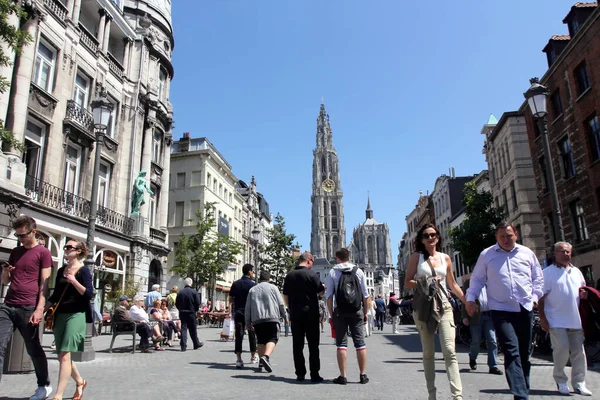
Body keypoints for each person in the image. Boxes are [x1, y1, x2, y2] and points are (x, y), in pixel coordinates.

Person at [466, 222, 543, 400]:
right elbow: (477, 279)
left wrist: (534, 299)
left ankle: (523, 387)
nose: (506, 240)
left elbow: (537, 278)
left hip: (524, 308)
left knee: (524, 353)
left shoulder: (527, 253)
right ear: (496, 237)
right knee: (511, 350)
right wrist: (471, 299)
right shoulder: (487, 255)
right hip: (500, 310)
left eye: (509, 235)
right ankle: (520, 395)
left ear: (516, 234)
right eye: (502, 236)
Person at [405, 223, 466, 400]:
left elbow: (453, 283)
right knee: (428, 353)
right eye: (426, 235)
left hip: (444, 305)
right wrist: (427, 281)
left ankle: (457, 395)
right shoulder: (417, 257)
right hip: (424, 306)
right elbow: (408, 282)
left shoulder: (445, 257)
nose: (430, 238)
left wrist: (467, 301)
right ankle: (432, 394)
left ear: (438, 237)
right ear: (421, 240)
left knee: (449, 350)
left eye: (433, 235)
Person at [0, 216, 52, 399]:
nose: (20, 239)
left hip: (28, 306)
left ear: (33, 232)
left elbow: (44, 284)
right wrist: (6, 272)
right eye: (18, 235)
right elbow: (6, 281)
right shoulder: (15, 251)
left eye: (23, 235)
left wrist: (39, 309)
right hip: (8, 305)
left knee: (33, 348)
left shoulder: (43, 252)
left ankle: (43, 385)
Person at [538, 242, 592, 396]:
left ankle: (579, 383)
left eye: (568, 251)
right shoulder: (547, 273)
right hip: (556, 319)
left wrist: (584, 295)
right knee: (561, 351)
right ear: (555, 253)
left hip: (575, 319)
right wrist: (543, 318)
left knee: (579, 353)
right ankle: (561, 380)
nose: (566, 254)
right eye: (563, 251)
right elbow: (541, 298)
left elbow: (582, 290)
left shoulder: (577, 272)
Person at [46, 240, 93, 400]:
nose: (65, 249)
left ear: (78, 251)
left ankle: (58, 396)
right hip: (60, 315)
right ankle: (80, 381)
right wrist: (41, 309)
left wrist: (74, 281)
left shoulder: (83, 270)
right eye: (65, 247)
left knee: (65, 354)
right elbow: (55, 295)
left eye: (69, 247)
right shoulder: (61, 271)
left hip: (76, 314)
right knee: (62, 355)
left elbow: (89, 294)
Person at [326, 248, 370, 385]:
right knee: (360, 343)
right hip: (356, 311)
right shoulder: (358, 271)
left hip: (340, 311)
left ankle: (343, 376)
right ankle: (362, 375)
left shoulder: (333, 272)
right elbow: (365, 296)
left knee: (341, 344)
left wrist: (332, 314)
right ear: (349, 257)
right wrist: (365, 313)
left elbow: (329, 297)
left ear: (337, 258)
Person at [283, 251, 325, 382]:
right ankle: (314, 374)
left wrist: (290, 307)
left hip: (296, 314)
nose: (312, 265)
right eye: (312, 262)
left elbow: (285, 295)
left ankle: (300, 373)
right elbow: (320, 291)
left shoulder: (289, 275)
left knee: (297, 345)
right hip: (311, 314)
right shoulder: (312, 274)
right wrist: (321, 291)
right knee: (313, 345)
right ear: (308, 260)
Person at [245, 271, 287, 373]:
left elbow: (248, 307)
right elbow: (281, 303)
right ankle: (266, 357)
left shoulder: (252, 290)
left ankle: (260, 361)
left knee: (261, 340)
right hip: (272, 317)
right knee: (273, 338)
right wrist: (285, 315)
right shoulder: (273, 288)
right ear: (268, 279)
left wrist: (248, 321)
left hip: (257, 319)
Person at [461, 279, 502, 375]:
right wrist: (464, 317)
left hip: (489, 315)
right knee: (476, 340)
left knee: (492, 340)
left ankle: (493, 366)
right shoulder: (469, 282)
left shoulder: (491, 280)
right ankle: (472, 357)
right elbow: (465, 300)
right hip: (475, 316)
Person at [229, 264, 258, 368]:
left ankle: (238, 359)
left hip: (238, 311)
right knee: (252, 334)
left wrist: (232, 310)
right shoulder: (253, 285)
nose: (253, 272)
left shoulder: (235, 284)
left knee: (239, 335)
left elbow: (231, 299)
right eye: (252, 271)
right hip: (249, 312)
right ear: (249, 272)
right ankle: (253, 356)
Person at [175, 278, 204, 352]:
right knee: (193, 329)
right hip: (191, 312)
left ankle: (183, 345)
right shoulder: (194, 292)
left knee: (183, 328)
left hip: (182, 312)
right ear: (191, 283)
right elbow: (197, 302)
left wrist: (180, 309)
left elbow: (177, 303)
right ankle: (196, 343)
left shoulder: (180, 292)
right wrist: (196, 310)